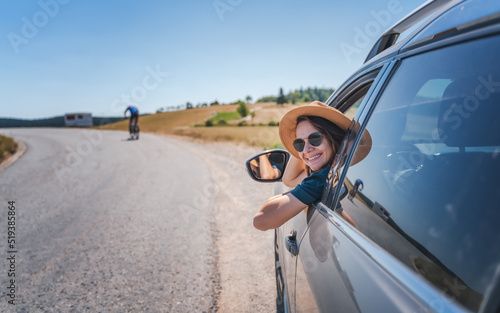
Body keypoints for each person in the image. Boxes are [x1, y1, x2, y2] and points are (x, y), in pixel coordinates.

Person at [253, 101, 370, 231]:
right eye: (299, 144)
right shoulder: (327, 174)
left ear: (334, 138)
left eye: (315, 139)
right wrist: (306, 153)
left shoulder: (321, 179)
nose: (307, 149)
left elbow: (260, 221)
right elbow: (288, 180)